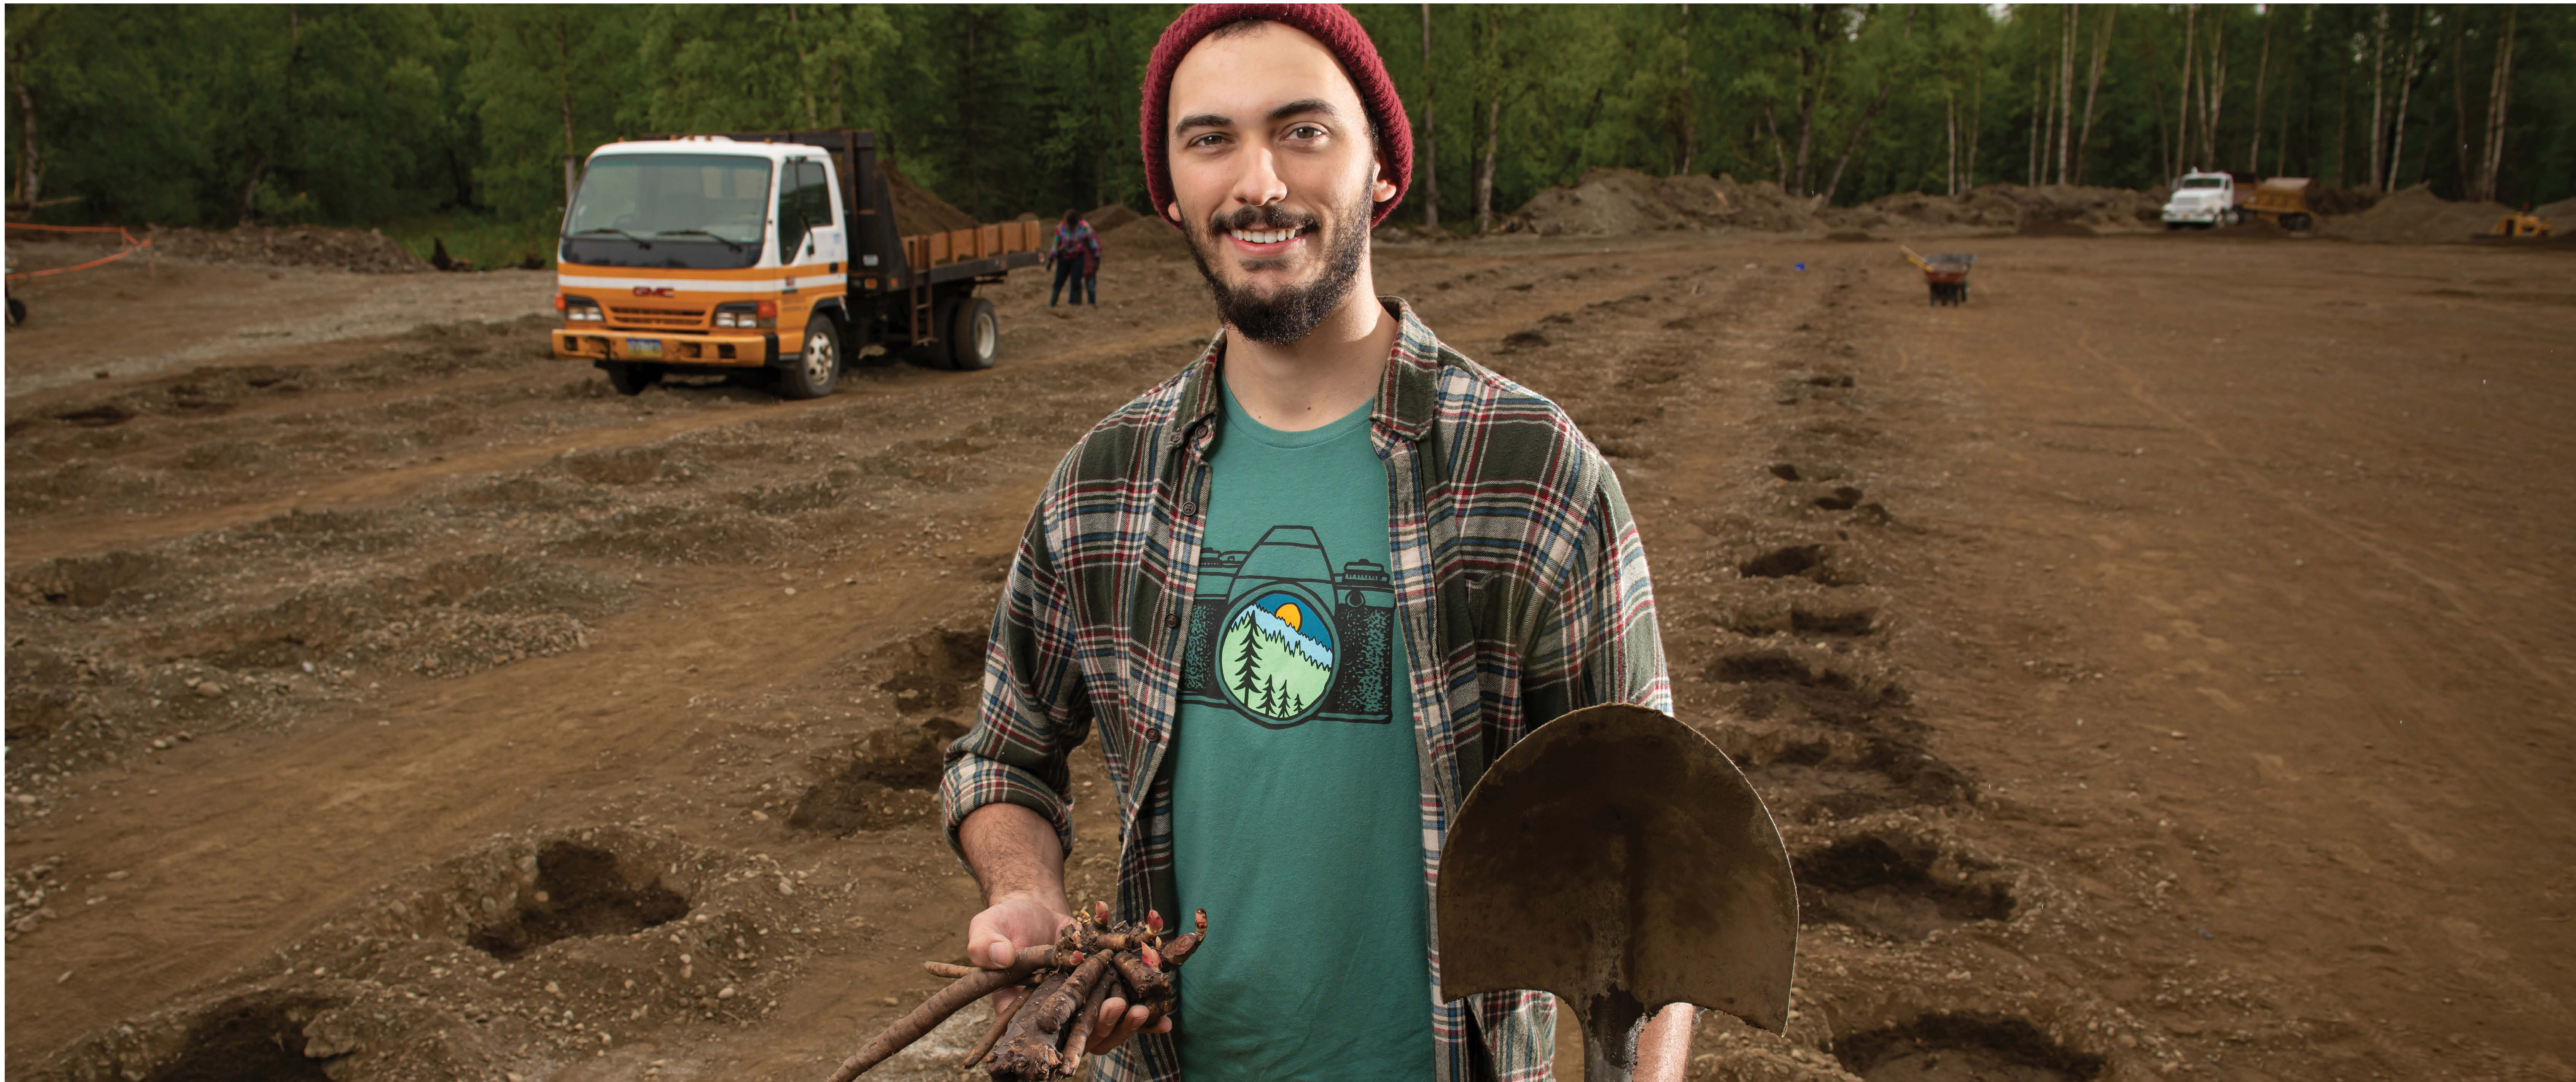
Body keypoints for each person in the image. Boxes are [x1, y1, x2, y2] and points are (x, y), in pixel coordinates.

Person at [937, 6, 1690, 1080]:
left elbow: (1648, 842)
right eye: (1211, 140)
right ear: (1169, 191)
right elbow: (1004, 756)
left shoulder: (1529, 474)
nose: (1257, 182)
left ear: (1382, 167)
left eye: (1303, 130)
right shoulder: (1101, 488)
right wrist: (1030, 892)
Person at [1048, 208, 1100, 306]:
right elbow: (1056, 245)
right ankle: (1052, 304)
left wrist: (1097, 258)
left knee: (1076, 281)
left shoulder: (1084, 228)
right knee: (1059, 281)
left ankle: (1077, 304)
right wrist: (1051, 258)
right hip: (1064, 257)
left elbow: (1094, 244)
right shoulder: (1061, 228)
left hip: (1078, 257)